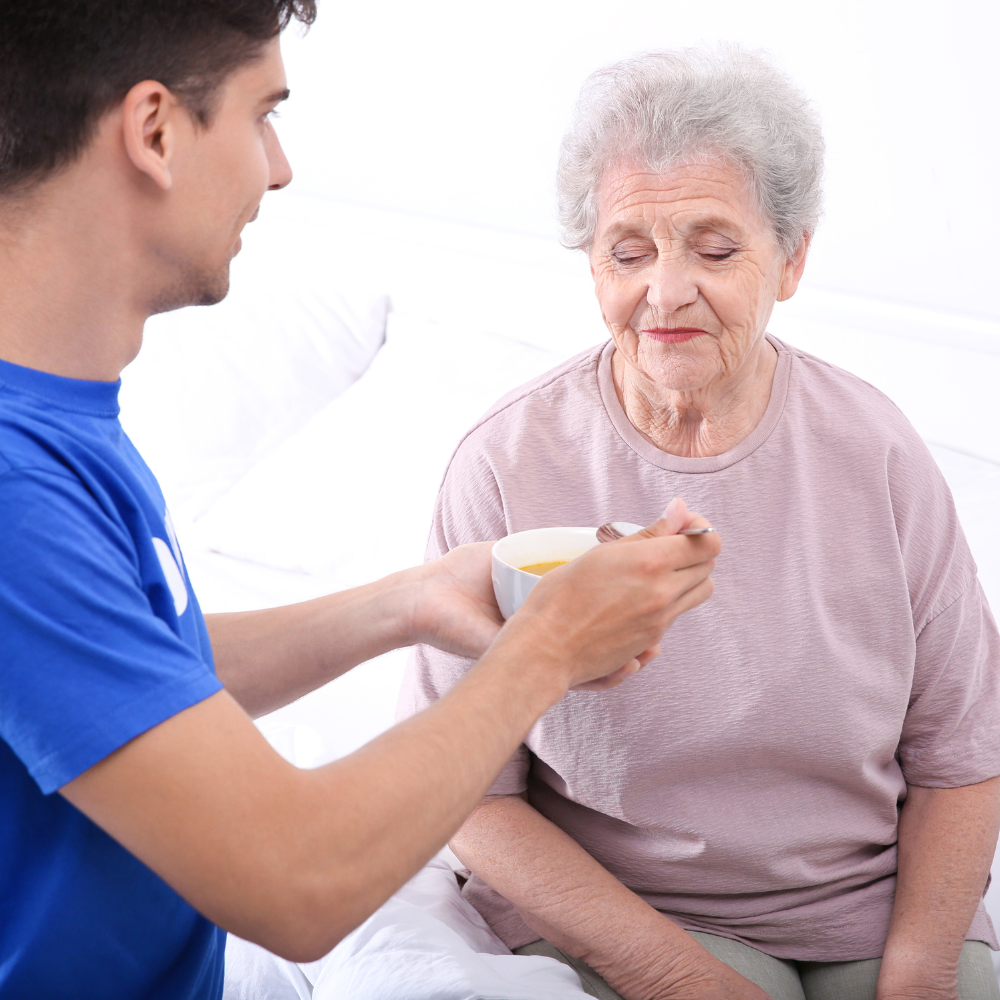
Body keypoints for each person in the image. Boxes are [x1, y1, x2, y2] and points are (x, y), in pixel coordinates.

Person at [0, 6, 722, 999]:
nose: (280, 168)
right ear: (155, 132)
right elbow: (296, 882)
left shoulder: (57, 417)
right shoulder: (17, 482)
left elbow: (118, 668)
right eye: (263, 116)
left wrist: (409, 602)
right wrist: (544, 648)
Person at [399, 47, 1000, 1000]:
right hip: (632, 909)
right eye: (627, 252)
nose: (666, 291)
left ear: (791, 258)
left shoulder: (879, 452)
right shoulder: (507, 463)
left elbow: (965, 752)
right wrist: (677, 977)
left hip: (870, 912)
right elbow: (467, 797)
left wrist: (920, 974)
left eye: (715, 250)